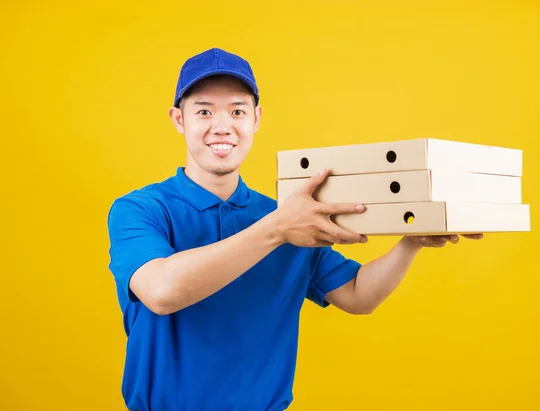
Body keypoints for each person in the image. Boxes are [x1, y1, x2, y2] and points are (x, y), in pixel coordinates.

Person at [107, 47, 483, 411]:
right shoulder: (140, 210)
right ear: (178, 120)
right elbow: (161, 290)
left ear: (255, 119)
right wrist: (277, 229)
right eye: (204, 111)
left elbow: (357, 295)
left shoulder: (290, 216)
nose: (222, 126)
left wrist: (410, 243)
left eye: (237, 111)